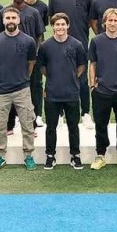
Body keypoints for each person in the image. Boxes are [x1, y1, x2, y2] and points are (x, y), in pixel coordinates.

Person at [0, 7, 39, 171]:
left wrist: (22, 78)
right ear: (3, 21)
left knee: (27, 123)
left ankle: (28, 155)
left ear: (19, 20)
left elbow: (31, 63)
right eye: (7, 18)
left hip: (22, 89)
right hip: (2, 90)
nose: (10, 21)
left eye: (13, 18)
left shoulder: (28, 40)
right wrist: (5, 76)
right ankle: (0, 155)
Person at [0, 0, 45, 136]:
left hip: (30, 59)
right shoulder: (4, 12)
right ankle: (9, 125)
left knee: (32, 90)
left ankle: (31, 125)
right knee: (9, 91)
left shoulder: (33, 13)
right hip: (9, 61)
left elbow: (39, 35)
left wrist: (35, 53)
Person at [87, 8, 117, 170]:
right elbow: (92, 64)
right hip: (102, 90)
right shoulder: (96, 41)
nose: (113, 23)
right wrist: (92, 85)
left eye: (115, 21)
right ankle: (100, 154)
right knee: (101, 124)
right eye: (110, 20)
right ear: (104, 22)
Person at [37, 13, 87, 170]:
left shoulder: (77, 44)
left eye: (62, 24)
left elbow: (81, 66)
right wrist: (53, 78)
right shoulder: (45, 46)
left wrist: (71, 77)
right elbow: (43, 68)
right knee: (51, 127)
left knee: (73, 126)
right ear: (53, 27)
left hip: (71, 92)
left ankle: (75, 155)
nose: (60, 27)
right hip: (52, 93)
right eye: (57, 25)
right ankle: (50, 156)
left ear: (68, 26)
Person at [47, 0, 94, 129]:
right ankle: (60, 115)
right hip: (59, 45)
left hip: (80, 43)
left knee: (81, 79)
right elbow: (53, 20)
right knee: (60, 79)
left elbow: (89, 20)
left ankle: (85, 113)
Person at [22, 0, 49, 128]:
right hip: (20, 52)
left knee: (37, 83)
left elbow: (41, 28)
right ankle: (21, 114)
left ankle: (37, 114)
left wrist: (37, 49)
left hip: (38, 50)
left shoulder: (42, 7)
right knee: (20, 83)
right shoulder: (19, 5)